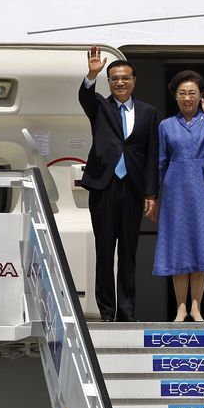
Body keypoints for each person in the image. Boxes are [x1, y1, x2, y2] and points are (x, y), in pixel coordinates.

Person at [79, 46, 159, 322]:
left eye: (125, 78)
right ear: (109, 82)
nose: (120, 83)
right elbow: (85, 97)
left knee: (128, 254)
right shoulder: (100, 106)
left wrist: (151, 193)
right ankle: (107, 312)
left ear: (134, 81)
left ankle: (126, 313)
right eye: (114, 79)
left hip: (133, 190)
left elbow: (151, 155)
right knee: (104, 252)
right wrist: (91, 74)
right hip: (104, 186)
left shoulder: (148, 113)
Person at [153, 70, 204, 322]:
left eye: (192, 93)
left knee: (202, 245)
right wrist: (153, 196)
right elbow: (160, 162)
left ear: (201, 97)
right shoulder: (166, 125)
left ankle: (197, 307)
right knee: (178, 247)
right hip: (175, 190)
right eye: (182, 93)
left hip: (203, 188)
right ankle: (181, 307)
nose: (187, 98)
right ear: (175, 96)